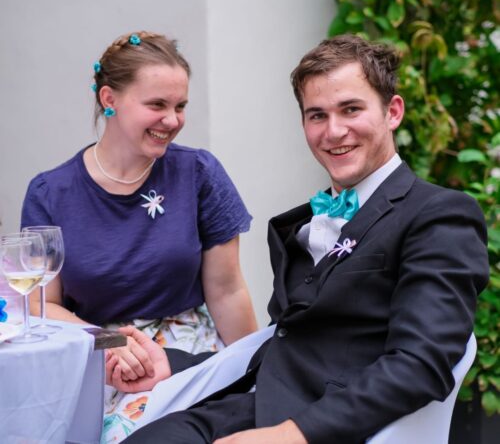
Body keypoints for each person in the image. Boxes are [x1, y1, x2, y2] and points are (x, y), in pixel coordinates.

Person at [106, 34, 489, 444]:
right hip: (253, 406)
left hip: (334, 429)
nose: (333, 131)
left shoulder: (439, 214)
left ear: (392, 111)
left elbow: (421, 364)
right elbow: (287, 345)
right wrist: (175, 365)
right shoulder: (304, 222)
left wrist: (294, 434)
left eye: (351, 109)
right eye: (317, 115)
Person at [20, 31, 257, 439]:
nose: (173, 120)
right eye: (157, 105)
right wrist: (107, 343)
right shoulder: (50, 194)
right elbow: (41, 305)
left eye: (180, 106)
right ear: (109, 99)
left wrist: (258, 371)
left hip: (190, 353)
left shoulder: (199, 174)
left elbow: (227, 291)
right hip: (100, 357)